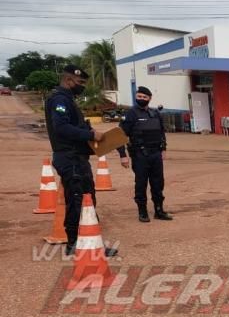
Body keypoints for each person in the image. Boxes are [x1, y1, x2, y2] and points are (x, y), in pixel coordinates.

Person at [45, 64, 116, 256]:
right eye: (80, 82)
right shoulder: (60, 99)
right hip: (70, 157)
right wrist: (90, 134)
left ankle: (85, 241)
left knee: (85, 199)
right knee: (79, 200)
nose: (82, 86)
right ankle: (76, 244)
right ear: (69, 80)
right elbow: (61, 128)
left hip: (75, 157)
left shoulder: (67, 99)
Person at [117, 86, 173, 222]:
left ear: (149, 98)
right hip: (139, 154)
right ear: (136, 97)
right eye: (139, 97)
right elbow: (119, 135)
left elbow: (161, 133)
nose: (141, 99)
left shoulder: (155, 113)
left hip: (155, 154)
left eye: (144, 97)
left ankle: (159, 210)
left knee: (158, 183)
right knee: (141, 183)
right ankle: (142, 212)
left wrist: (163, 149)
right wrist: (123, 155)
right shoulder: (131, 114)